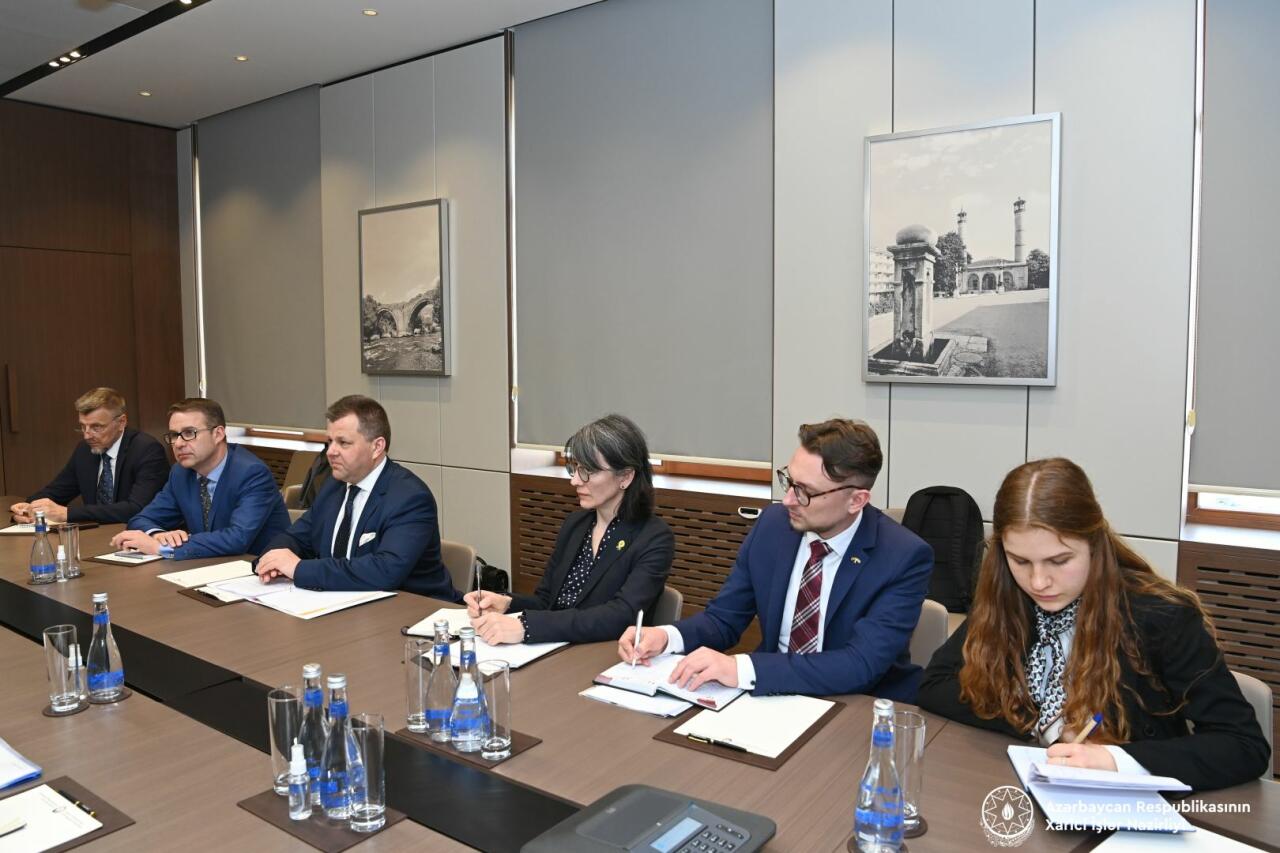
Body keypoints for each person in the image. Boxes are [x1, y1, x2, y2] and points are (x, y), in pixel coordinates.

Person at [917, 458, 1270, 791]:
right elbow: (935, 685)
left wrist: (1115, 760)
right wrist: (1036, 721)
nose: (1038, 582)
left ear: (1094, 545)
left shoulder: (1162, 617)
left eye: (1059, 561)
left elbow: (1244, 745)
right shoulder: (1007, 595)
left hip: (1130, 809)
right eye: (1020, 561)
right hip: (1029, 789)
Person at [619, 419, 932, 699]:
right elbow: (724, 619)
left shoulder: (903, 556)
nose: (788, 500)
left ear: (856, 500)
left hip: (857, 705)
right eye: (789, 481)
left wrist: (741, 668)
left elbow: (860, 664)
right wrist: (666, 637)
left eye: (805, 491)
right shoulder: (773, 526)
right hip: (772, 697)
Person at [465, 414, 674, 645]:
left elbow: (620, 617)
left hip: (603, 652)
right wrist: (507, 603)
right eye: (574, 468)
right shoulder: (576, 524)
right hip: (555, 646)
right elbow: (547, 602)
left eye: (588, 471)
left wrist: (528, 627)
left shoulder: (653, 537)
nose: (575, 480)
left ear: (625, 476)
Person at [254, 395, 458, 599]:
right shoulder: (333, 486)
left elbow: (385, 571)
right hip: (346, 603)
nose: (331, 452)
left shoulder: (410, 497)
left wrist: (298, 569)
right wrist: (272, 560)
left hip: (413, 608)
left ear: (376, 447)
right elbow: (296, 537)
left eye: (343, 443)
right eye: (330, 442)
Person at [111, 398, 290, 559]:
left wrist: (163, 548)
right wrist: (158, 535)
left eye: (189, 433)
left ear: (218, 434)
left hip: (260, 569)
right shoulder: (181, 473)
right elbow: (141, 519)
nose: (179, 443)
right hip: (207, 567)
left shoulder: (252, 473)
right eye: (174, 435)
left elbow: (237, 538)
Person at [10, 387, 168, 525]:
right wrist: (26, 508)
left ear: (121, 422)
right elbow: (56, 492)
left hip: (136, 536)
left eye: (96, 427)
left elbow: (136, 508)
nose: (87, 436)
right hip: (96, 536)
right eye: (83, 426)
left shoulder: (146, 450)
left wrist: (67, 514)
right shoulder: (85, 450)